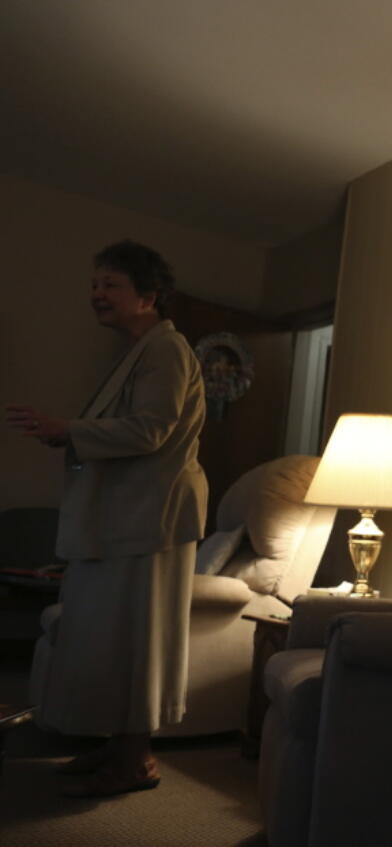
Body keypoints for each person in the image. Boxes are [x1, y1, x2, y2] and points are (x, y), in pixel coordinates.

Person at [4, 240, 207, 797]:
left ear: (149, 294)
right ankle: (118, 746)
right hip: (127, 516)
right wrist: (65, 433)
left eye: (110, 284)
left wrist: (67, 428)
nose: (97, 294)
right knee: (110, 636)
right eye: (94, 285)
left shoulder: (167, 350)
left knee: (137, 637)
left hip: (149, 520)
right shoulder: (138, 352)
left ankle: (136, 758)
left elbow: (152, 429)